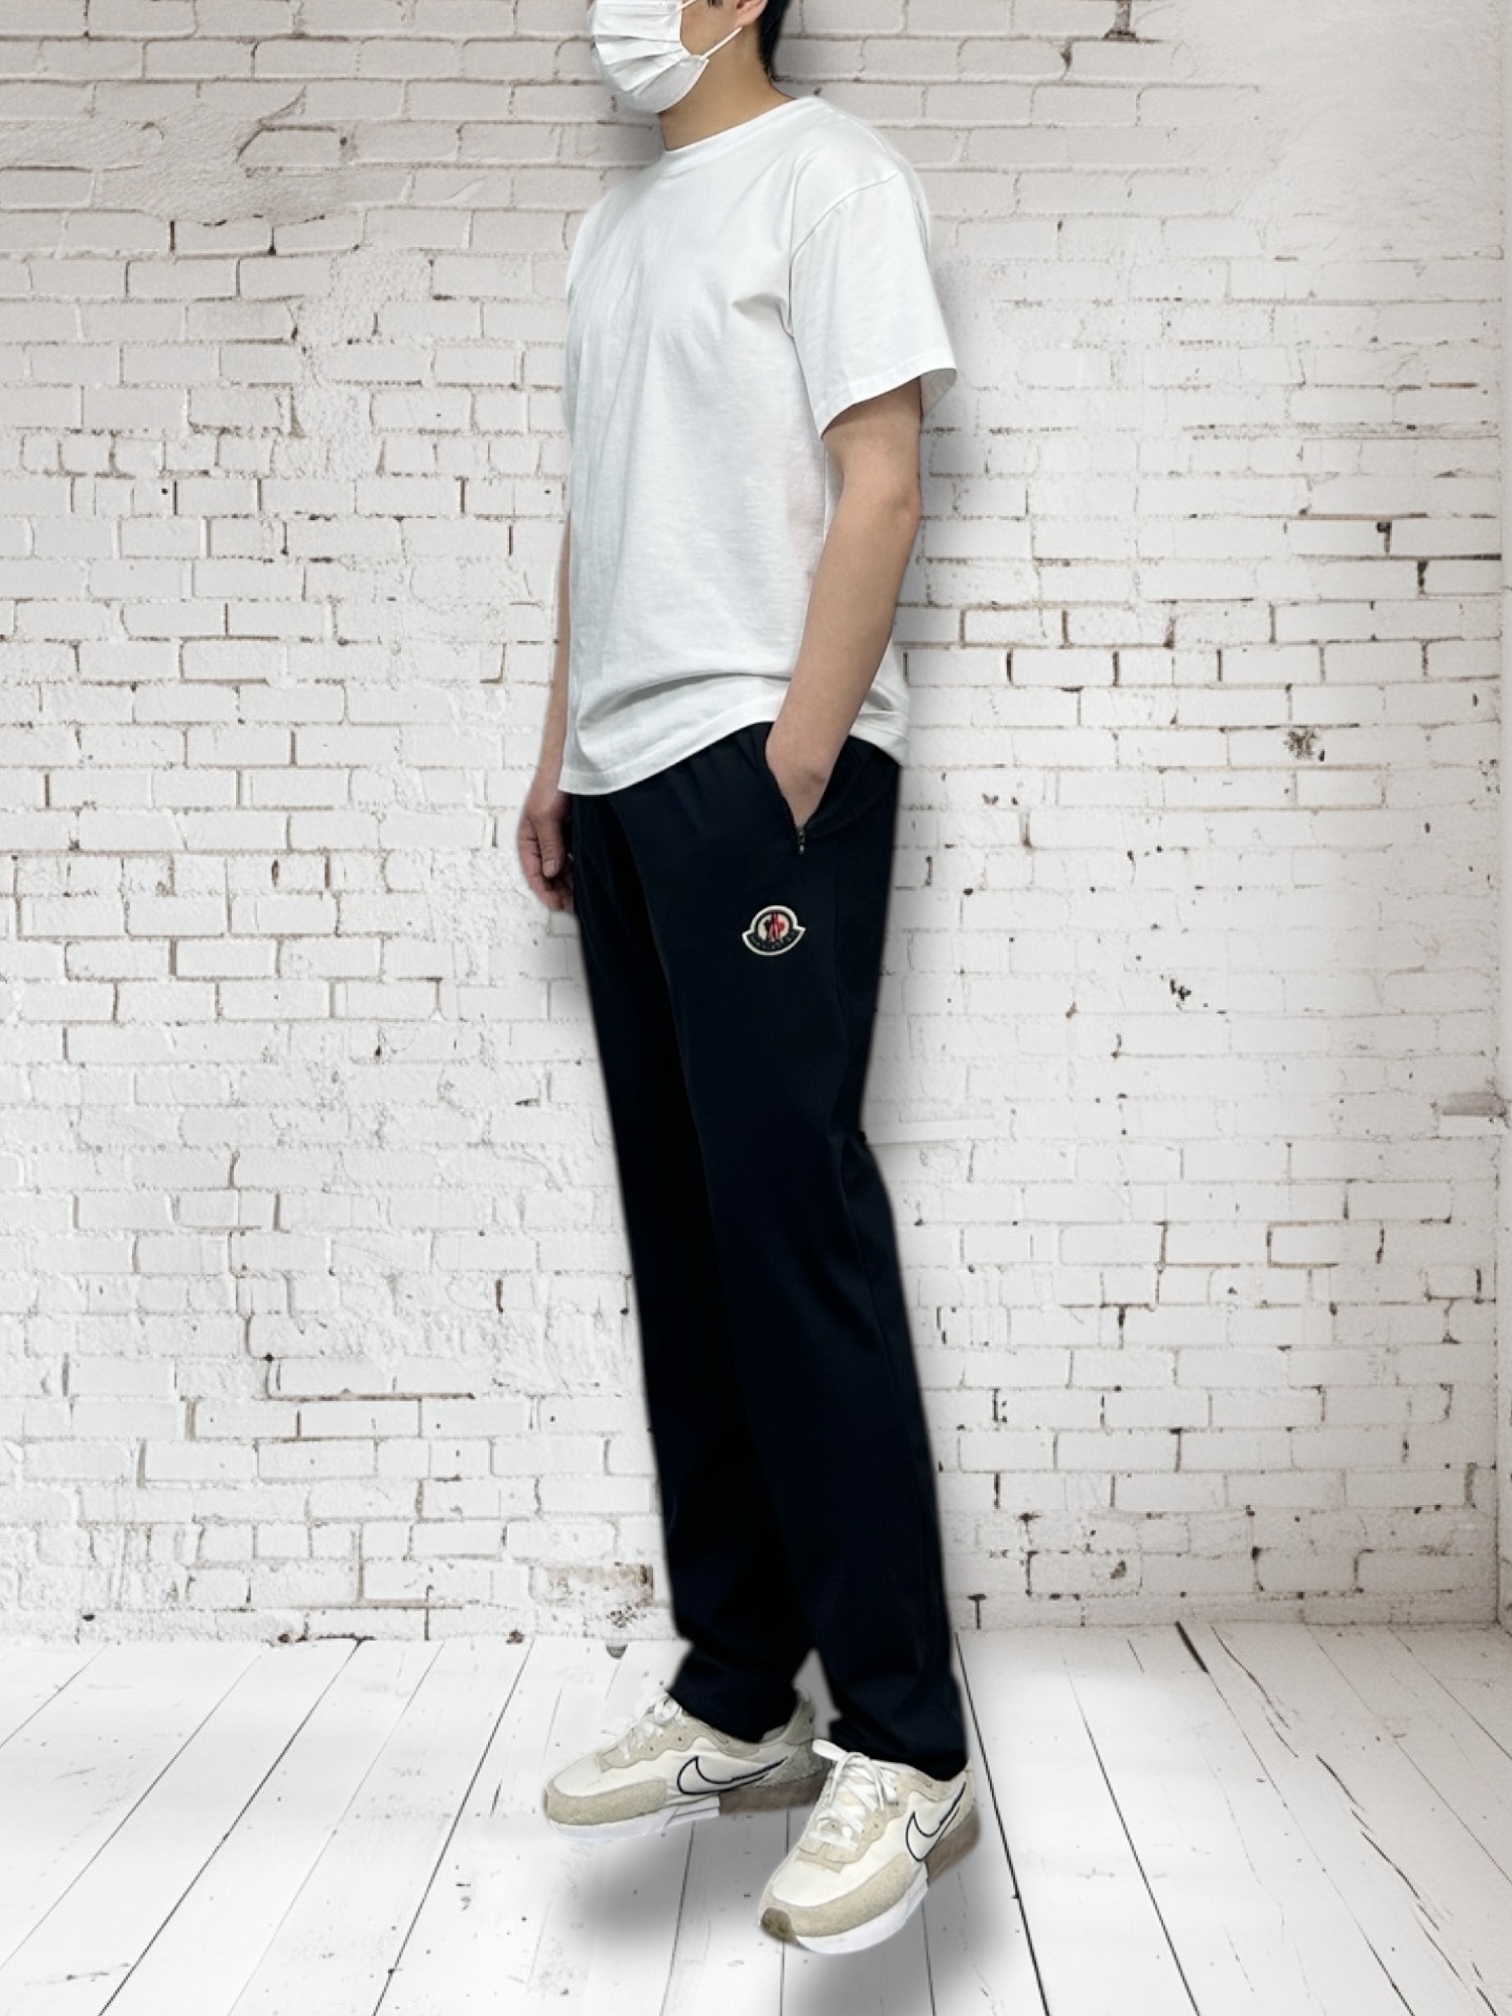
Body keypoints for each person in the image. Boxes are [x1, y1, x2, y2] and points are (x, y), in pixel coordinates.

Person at [517, 0, 978, 1957]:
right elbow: (600, 510)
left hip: (759, 766)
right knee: (691, 1242)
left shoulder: (832, 177)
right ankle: (739, 1692)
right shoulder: (613, 228)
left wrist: (796, 753)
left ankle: (909, 1744)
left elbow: (882, 477)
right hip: (628, 781)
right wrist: (559, 750)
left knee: (792, 1236)